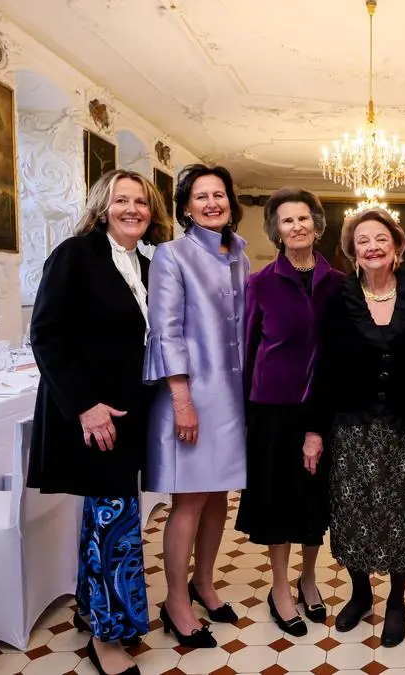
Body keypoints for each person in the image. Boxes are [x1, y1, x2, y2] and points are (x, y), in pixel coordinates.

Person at [27, 169, 172, 675]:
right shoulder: (75, 254)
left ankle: (92, 609)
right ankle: (108, 639)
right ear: (102, 207)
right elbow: (46, 335)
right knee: (115, 521)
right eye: (121, 200)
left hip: (131, 412)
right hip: (93, 414)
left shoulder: (146, 264)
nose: (132, 209)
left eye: (141, 202)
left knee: (109, 515)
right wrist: (85, 406)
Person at [307, 208, 405, 647]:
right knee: (351, 512)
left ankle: (397, 600)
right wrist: (315, 429)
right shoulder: (338, 297)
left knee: (401, 513)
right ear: (352, 251)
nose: (372, 247)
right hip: (350, 424)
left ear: (396, 245)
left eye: (381, 238)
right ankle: (361, 593)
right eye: (362, 240)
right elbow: (324, 366)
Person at [143, 164, 250, 648]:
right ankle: (175, 602)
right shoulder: (172, 255)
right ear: (186, 207)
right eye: (201, 196)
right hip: (191, 395)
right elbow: (165, 331)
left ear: (230, 202)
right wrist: (182, 401)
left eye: (219, 194)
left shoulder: (240, 253)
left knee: (219, 495)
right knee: (189, 500)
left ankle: (203, 584)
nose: (212, 203)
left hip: (233, 397)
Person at [234, 187, 345, 637]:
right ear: (276, 231)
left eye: (304, 218)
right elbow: (247, 351)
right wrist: (244, 418)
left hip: (324, 408)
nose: (297, 226)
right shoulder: (260, 283)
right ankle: (280, 587)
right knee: (278, 501)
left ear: (317, 225)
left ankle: (308, 577)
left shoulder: (340, 283)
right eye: (287, 220)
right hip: (272, 412)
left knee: (315, 501)